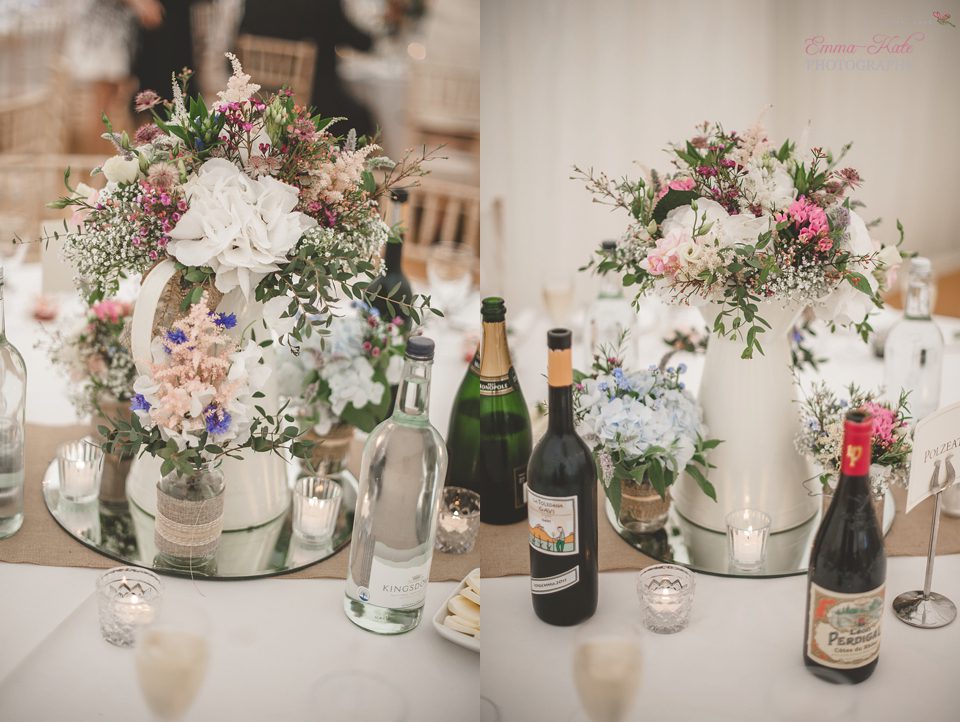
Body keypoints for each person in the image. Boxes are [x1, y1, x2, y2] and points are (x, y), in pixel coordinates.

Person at [239, 0, 377, 139]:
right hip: (316, 100)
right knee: (363, 120)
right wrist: (377, 38)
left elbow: (241, 37)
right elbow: (352, 37)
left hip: (259, 98)